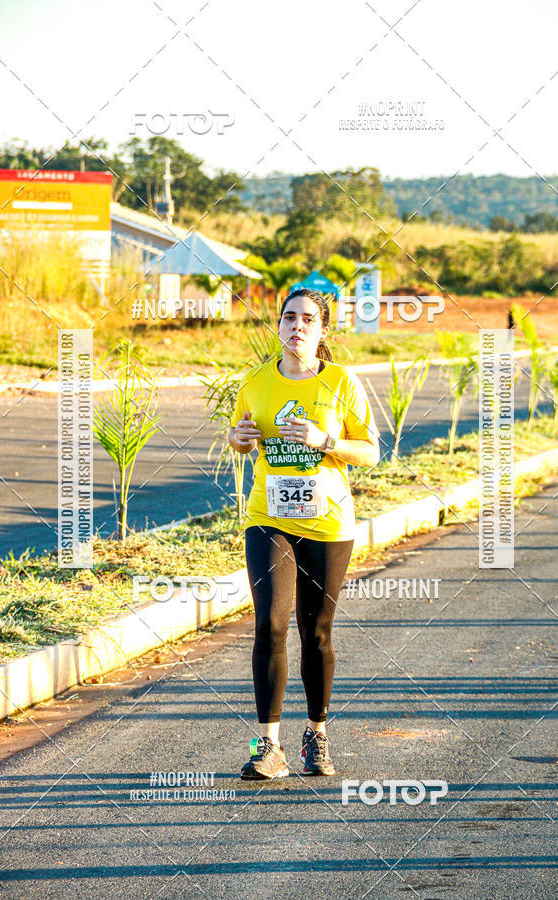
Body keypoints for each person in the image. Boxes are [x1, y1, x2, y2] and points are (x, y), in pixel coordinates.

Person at [227, 288, 380, 780]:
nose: (297, 325)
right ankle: (266, 747)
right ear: (278, 325)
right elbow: (239, 438)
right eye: (289, 317)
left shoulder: (341, 382)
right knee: (270, 623)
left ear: (322, 330)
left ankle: (316, 733)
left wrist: (325, 441)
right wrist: (238, 439)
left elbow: (370, 452)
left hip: (329, 524)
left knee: (316, 633)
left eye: (307, 319)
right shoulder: (255, 383)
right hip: (268, 519)